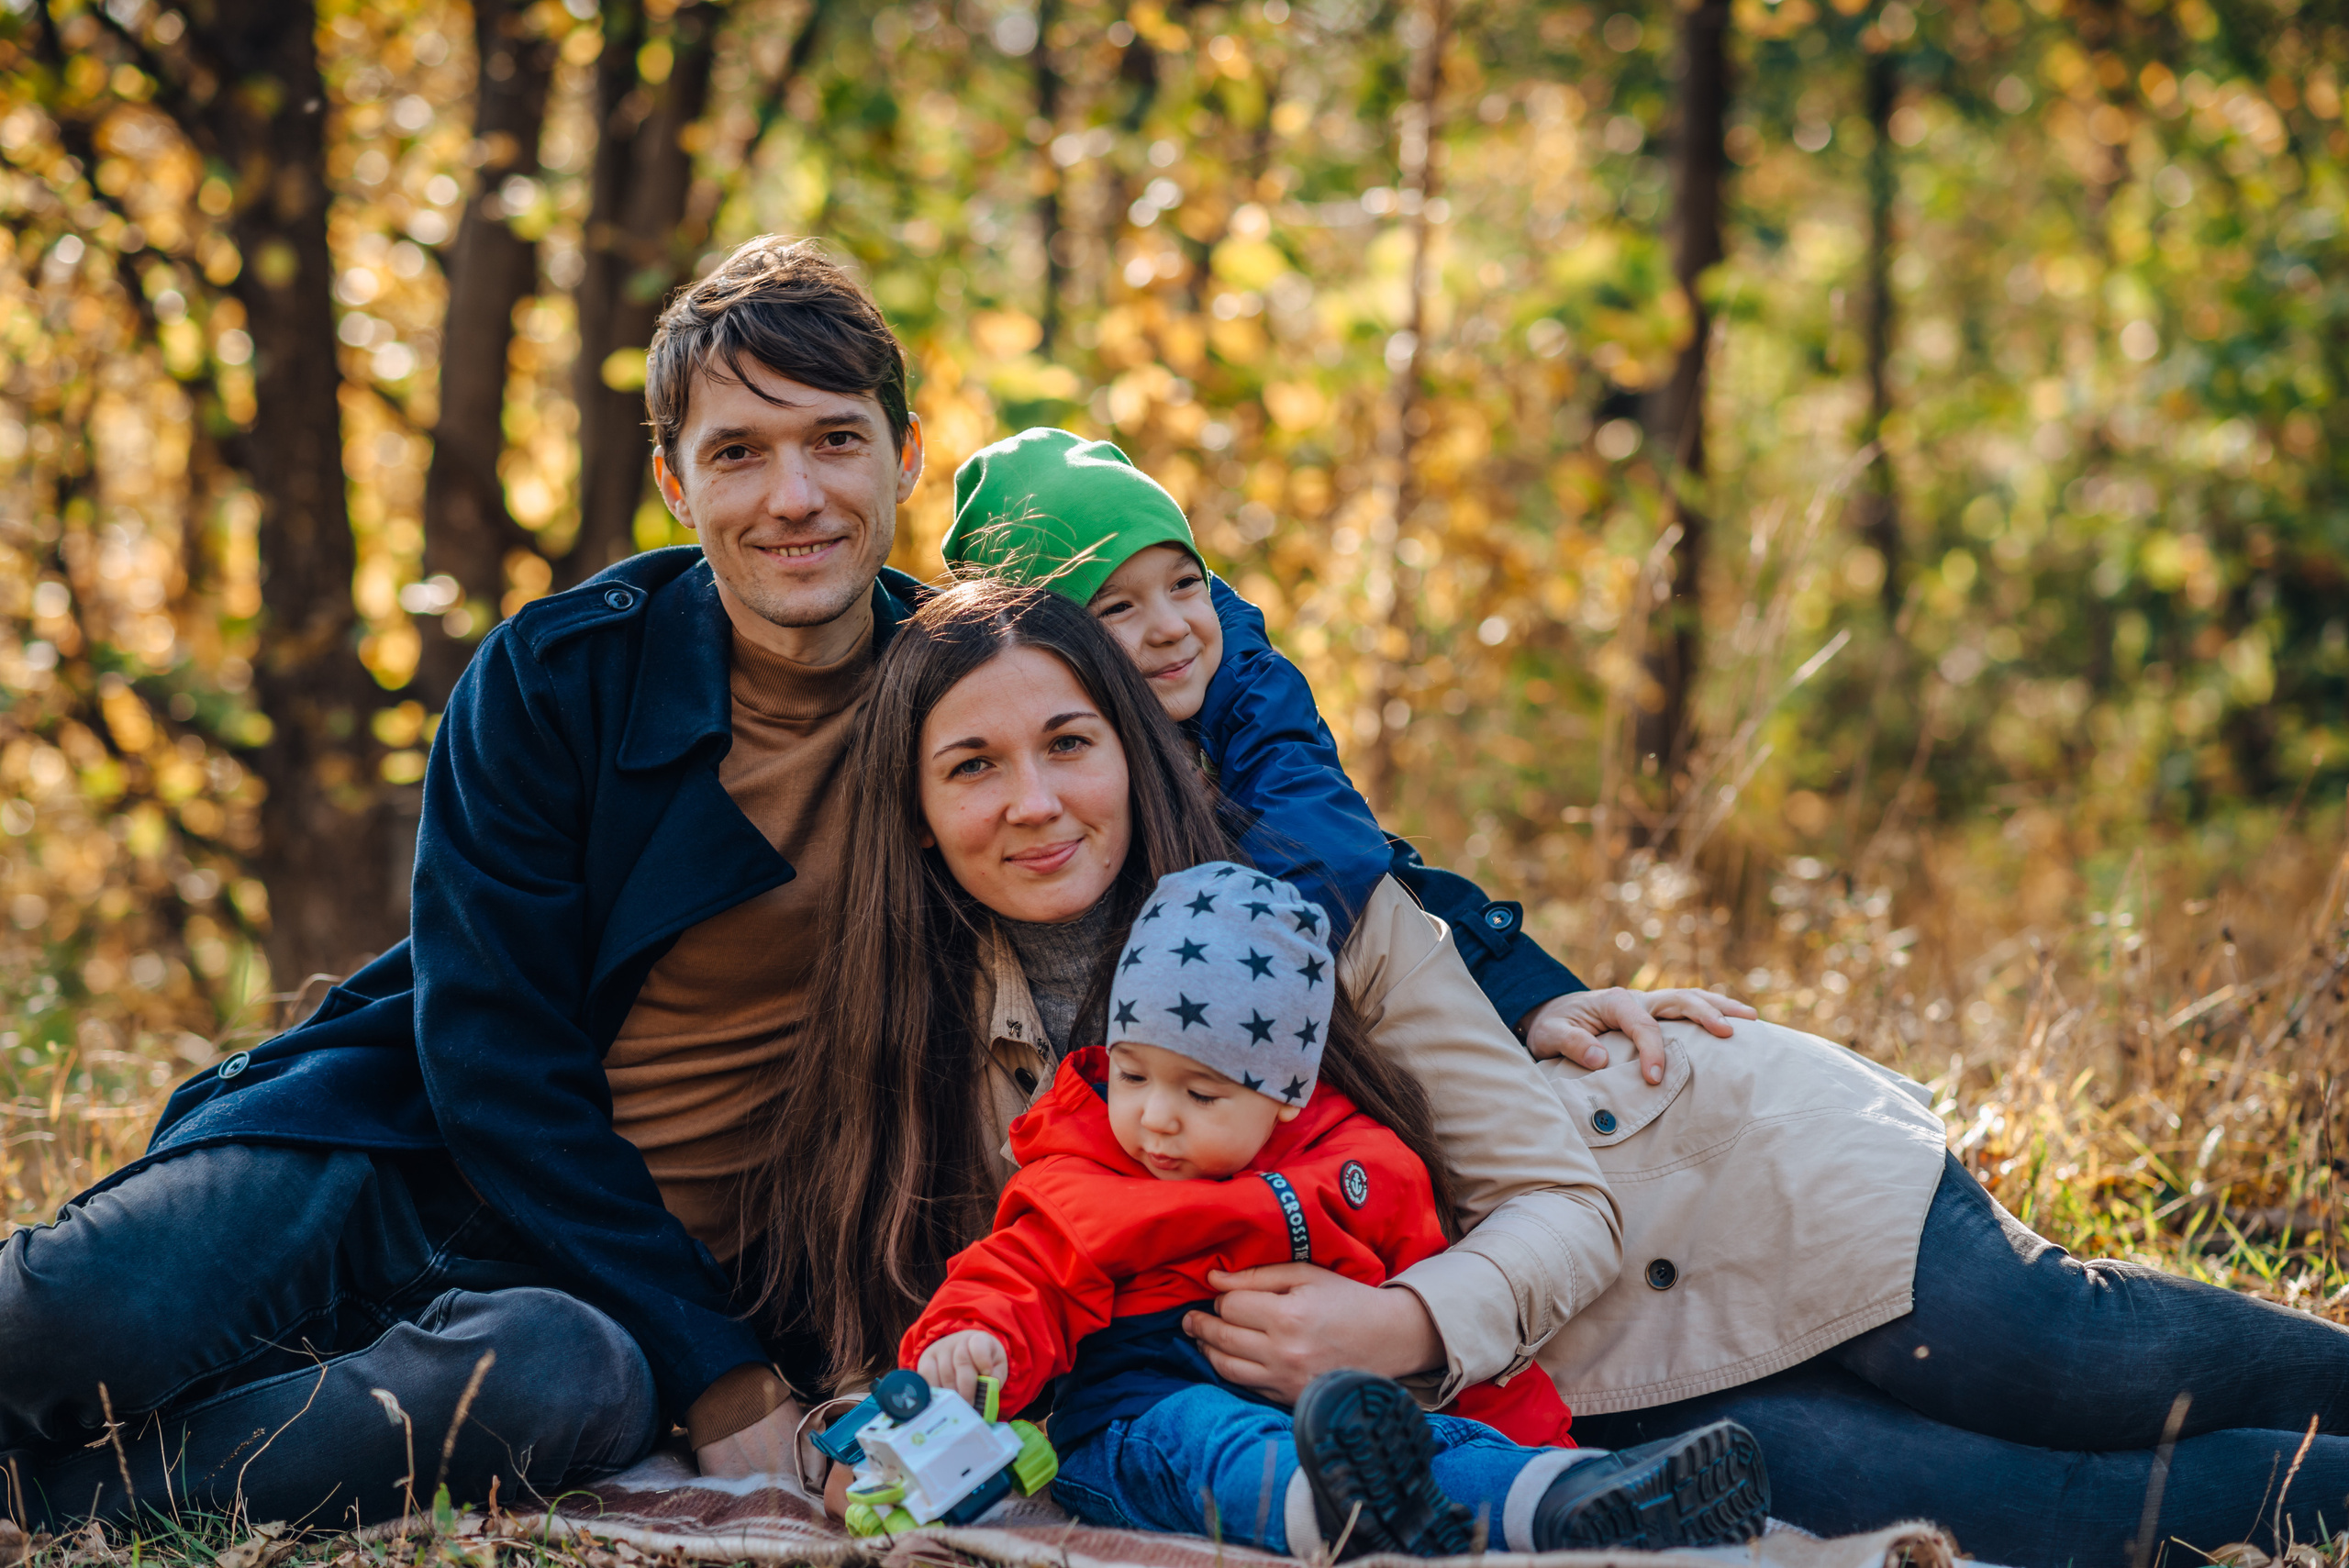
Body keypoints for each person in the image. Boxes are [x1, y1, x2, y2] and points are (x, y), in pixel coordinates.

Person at [770, 575, 2349, 1568]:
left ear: (1133, 742)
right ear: (913, 809)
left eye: (1068, 740)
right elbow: (954, 1311)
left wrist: (1398, 1320)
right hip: (1564, 1396)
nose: (1034, 799)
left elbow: (1549, 1188)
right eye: (971, 763)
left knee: (2063, 1353)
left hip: (1692, 1180)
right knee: (2035, 1513)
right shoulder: (910, 1037)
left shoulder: (1309, 903)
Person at [0, 237, 929, 1524]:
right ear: (673, 481)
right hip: (397, 1151)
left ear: (906, 455)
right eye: (737, 452)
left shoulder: (968, 711)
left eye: (835, 440)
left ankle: (57, 1510)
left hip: (618, 1301)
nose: (795, 495)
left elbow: (1186, 661)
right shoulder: (557, 677)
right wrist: (728, 1388)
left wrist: (722, 1357)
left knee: (544, 1386)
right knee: (64, 1319)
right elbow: (491, 1052)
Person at [901, 861, 1770, 1555]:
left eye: (1201, 1094)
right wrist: (972, 1340)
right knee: (1213, 1439)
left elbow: (1427, 1293)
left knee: (1447, 1448)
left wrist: (1541, 1438)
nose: (1154, 1116)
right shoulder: (1087, 1164)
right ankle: (1342, 1517)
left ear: (1285, 1097)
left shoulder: (1359, 1169)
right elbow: (1015, 1272)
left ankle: (1566, 1498)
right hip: (1142, 1414)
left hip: (1352, 1411)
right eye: (1132, 1075)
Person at [944, 427, 1755, 1091]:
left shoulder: (1243, 696)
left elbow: (1344, 860)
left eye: (1186, 583)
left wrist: (1528, 994)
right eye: (1117, 606)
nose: (1170, 627)